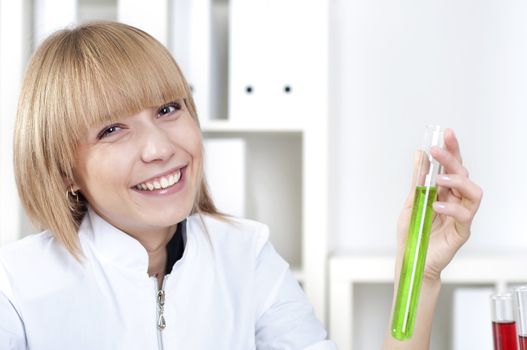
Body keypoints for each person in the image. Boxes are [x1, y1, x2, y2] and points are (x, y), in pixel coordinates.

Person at [0, 21, 482, 349]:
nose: (159, 148)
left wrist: (420, 276)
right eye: (112, 129)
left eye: (168, 109)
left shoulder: (244, 253)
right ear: (65, 170)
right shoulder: (16, 287)